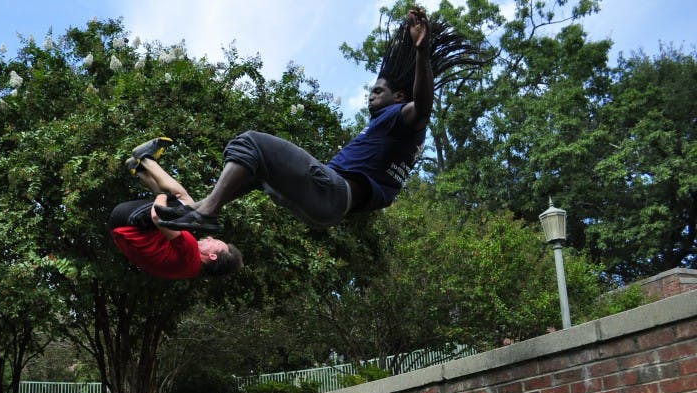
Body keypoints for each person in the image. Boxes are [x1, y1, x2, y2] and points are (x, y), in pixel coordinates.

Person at [155, 7, 483, 233]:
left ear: (399, 97)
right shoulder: (393, 133)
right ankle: (200, 208)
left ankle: (206, 213)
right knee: (255, 167)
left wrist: (422, 53)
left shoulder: (402, 118)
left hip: (332, 193)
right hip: (326, 206)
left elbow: (422, 106)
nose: (371, 96)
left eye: (378, 90)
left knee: (250, 141)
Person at [109, 137, 243, 279]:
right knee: (179, 214)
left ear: (212, 256)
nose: (210, 237)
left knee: (186, 203)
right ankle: (140, 169)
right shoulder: (189, 269)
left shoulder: (190, 251)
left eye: (214, 242)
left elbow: (157, 216)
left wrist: (163, 194)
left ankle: (145, 157)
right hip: (121, 228)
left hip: (127, 221)